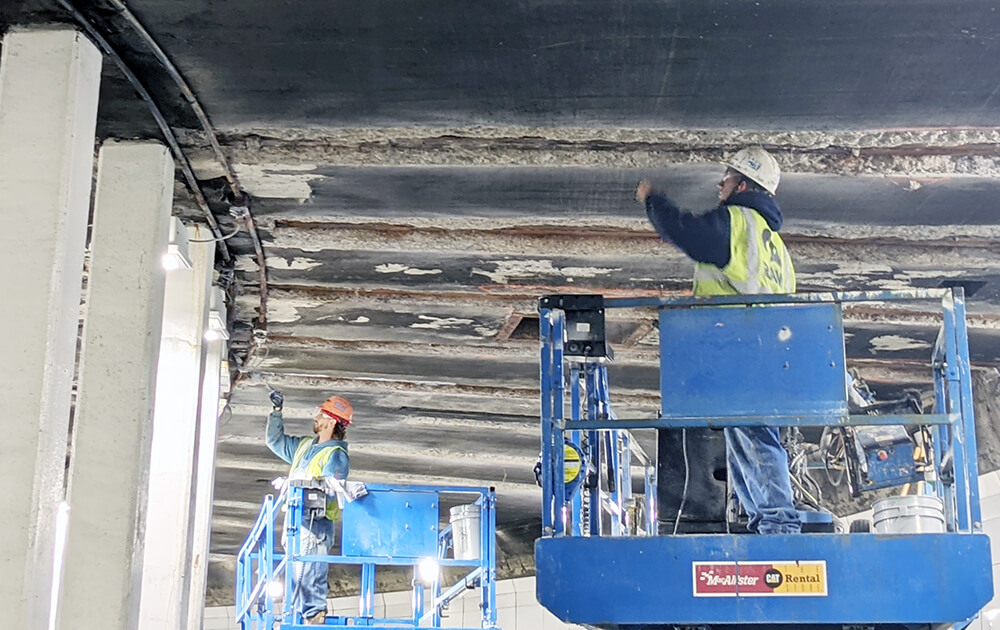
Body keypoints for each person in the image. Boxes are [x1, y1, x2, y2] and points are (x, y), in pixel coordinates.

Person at [635, 146, 801, 535]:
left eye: (726, 179)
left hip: (740, 348)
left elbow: (689, 234)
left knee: (755, 437)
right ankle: (760, 519)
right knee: (744, 436)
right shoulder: (775, 245)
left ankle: (778, 522)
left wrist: (654, 202)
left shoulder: (738, 221)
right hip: (768, 352)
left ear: (742, 184)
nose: (720, 185)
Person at [266, 389, 352, 624]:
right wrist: (276, 412)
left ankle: (314, 615)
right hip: (295, 522)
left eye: (321, 414)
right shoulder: (305, 446)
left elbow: (329, 484)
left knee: (310, 572)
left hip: (316, 524)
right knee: (298, 571)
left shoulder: (336, 455)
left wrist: (298, 484)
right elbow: (274, 441)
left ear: (332, 422)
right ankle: (296, 614)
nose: (316, 418)